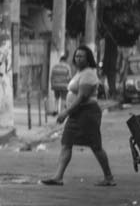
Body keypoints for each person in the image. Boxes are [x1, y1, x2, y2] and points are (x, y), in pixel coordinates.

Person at [42, 44, 116, 186]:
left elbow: (82, 98)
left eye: (81, 56)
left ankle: (109, 177)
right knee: (66, 143)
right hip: (76, 114)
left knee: (96, 146)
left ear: (88, 59)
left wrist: (65, 113)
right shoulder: (79, 72)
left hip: (87, 114)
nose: (78, 58)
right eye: (76, 56)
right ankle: (58, 177)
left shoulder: (88, 74)